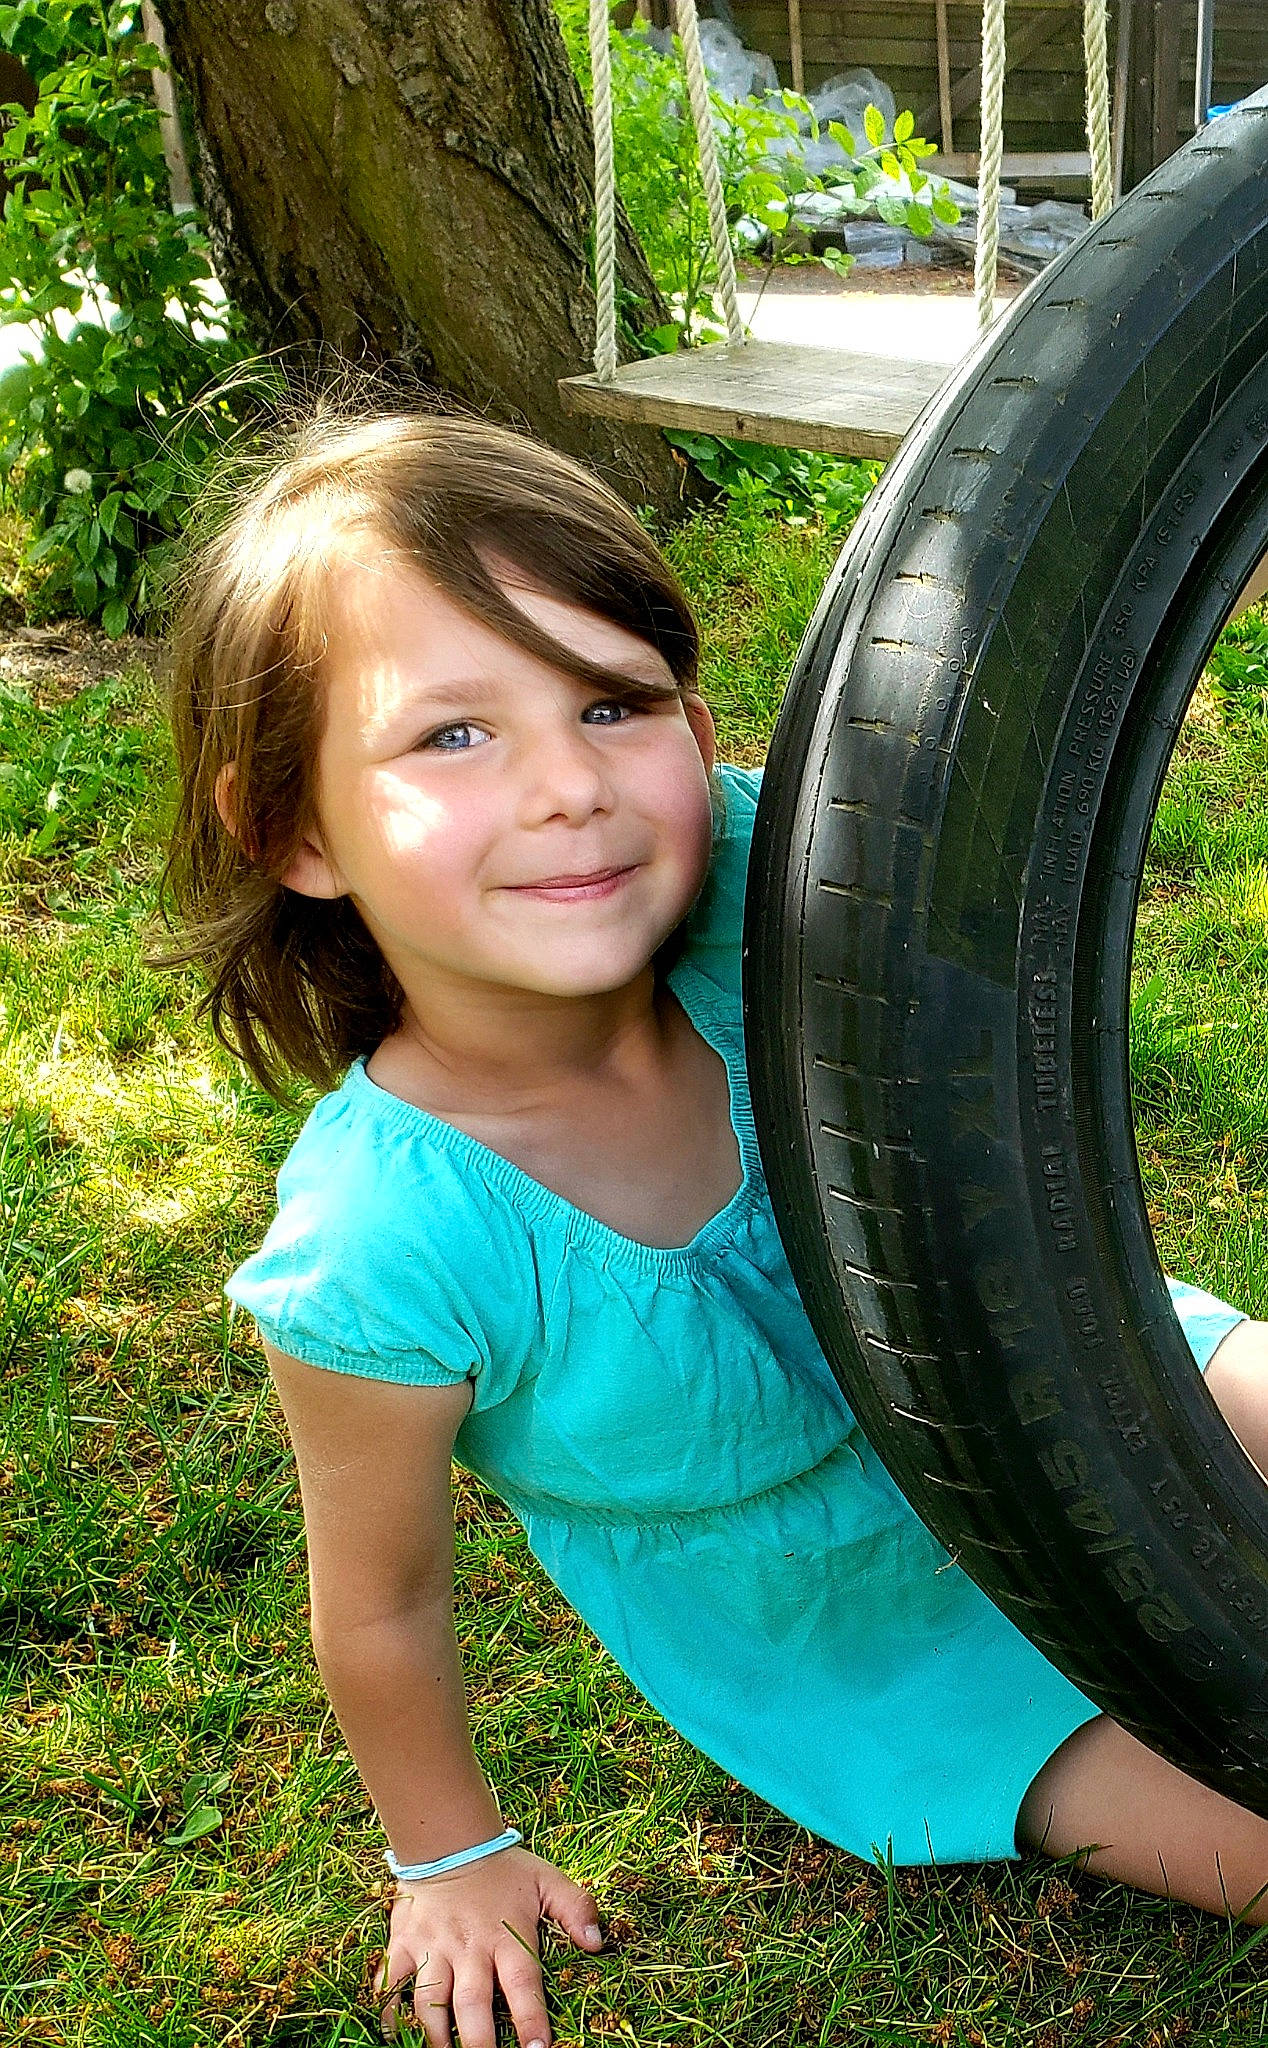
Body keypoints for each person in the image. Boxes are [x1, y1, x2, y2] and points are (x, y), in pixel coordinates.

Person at [152, 404, 1268, 2048]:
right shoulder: (383, 1242)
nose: (568, 789)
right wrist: (448, 1856)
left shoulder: (771, 885)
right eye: (451, 736)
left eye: (614, 701)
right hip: (886, 1642)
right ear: (295, 831)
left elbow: (992, 746)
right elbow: (380, 1603)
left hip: (1079, 1394)